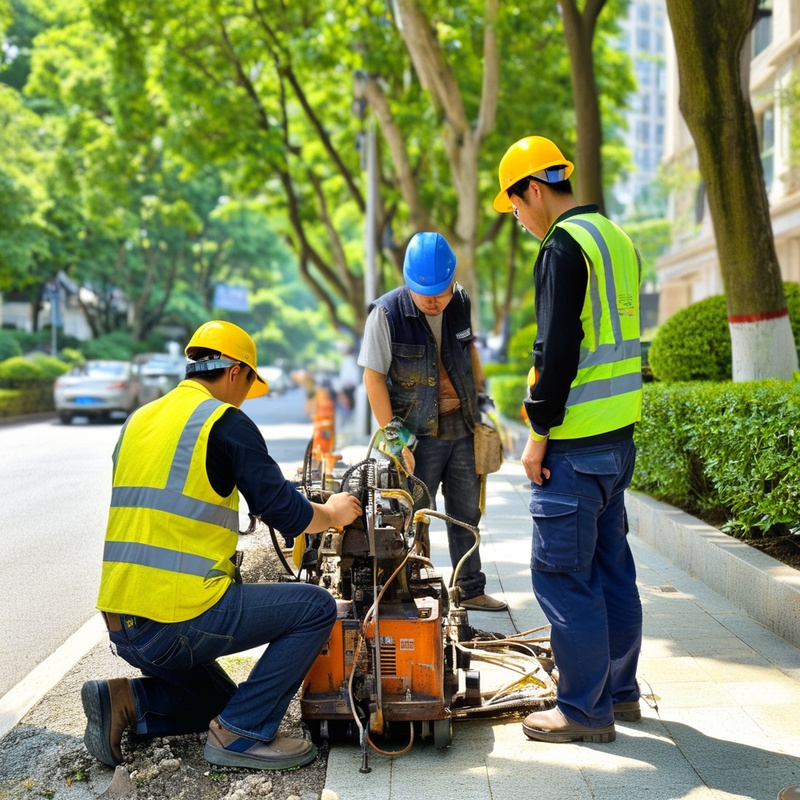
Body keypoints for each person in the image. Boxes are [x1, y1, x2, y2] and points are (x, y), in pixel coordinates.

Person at [82, 320, 362, 771]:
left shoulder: (140, 420)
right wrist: (332, 513)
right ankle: (241, 736)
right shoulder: (223, 421)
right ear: (235, 372)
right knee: (315, 608)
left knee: (223, 700)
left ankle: (123, 699)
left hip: (123, 624)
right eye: (248, 385)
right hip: (175, 621)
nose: (244, 398)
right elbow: (288, 516)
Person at [492, 136, 644, 743]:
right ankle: (622, 692)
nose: (522, 222)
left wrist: (536, 436)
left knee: (562, 575)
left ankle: (583, 710)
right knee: (612, 569)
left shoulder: (562, 245)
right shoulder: (616, 236)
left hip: (575, 443)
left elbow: (557, 353)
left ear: (533, 189)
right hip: (618, 439)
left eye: (518, 209)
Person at [358, 232, 507, 612]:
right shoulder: (386, 313)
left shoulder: (461, 303)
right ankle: (408, 594)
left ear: (453, 281)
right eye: (424, 293)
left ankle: (469, 590)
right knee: (411, 517)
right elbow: (373, 378)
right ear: (407, 280)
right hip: (415, 437)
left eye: (441, 292)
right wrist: (395, 444)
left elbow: (467, 351)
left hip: (461, 427)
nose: (433, 300)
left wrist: (483, 406)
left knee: (466, 513)